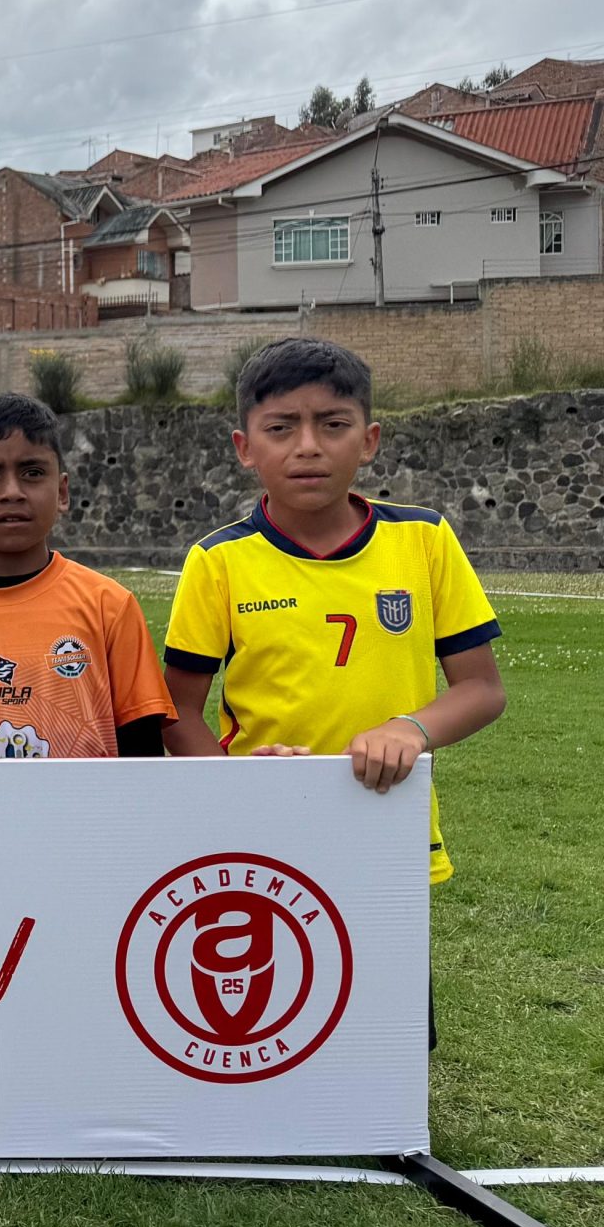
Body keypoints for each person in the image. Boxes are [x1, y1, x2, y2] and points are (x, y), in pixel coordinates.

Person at [163, 338, 505, 889]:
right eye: (280, 428)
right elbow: (177, 710)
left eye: (333, 424)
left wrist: (411, 729)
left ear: (368, 440)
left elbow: (483, 689)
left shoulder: (423, 539)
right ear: (244, 447)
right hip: (261, 825)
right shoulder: (217, 561)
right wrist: (235, 785)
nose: (308, 447)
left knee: (385, 972)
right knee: (278, 970)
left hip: (387, 814)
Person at [0, 396, 174, 758]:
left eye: (32, 472)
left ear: (62, 491)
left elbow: (142, 753)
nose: (12, 492)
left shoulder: (109, 605)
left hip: (86, 814)